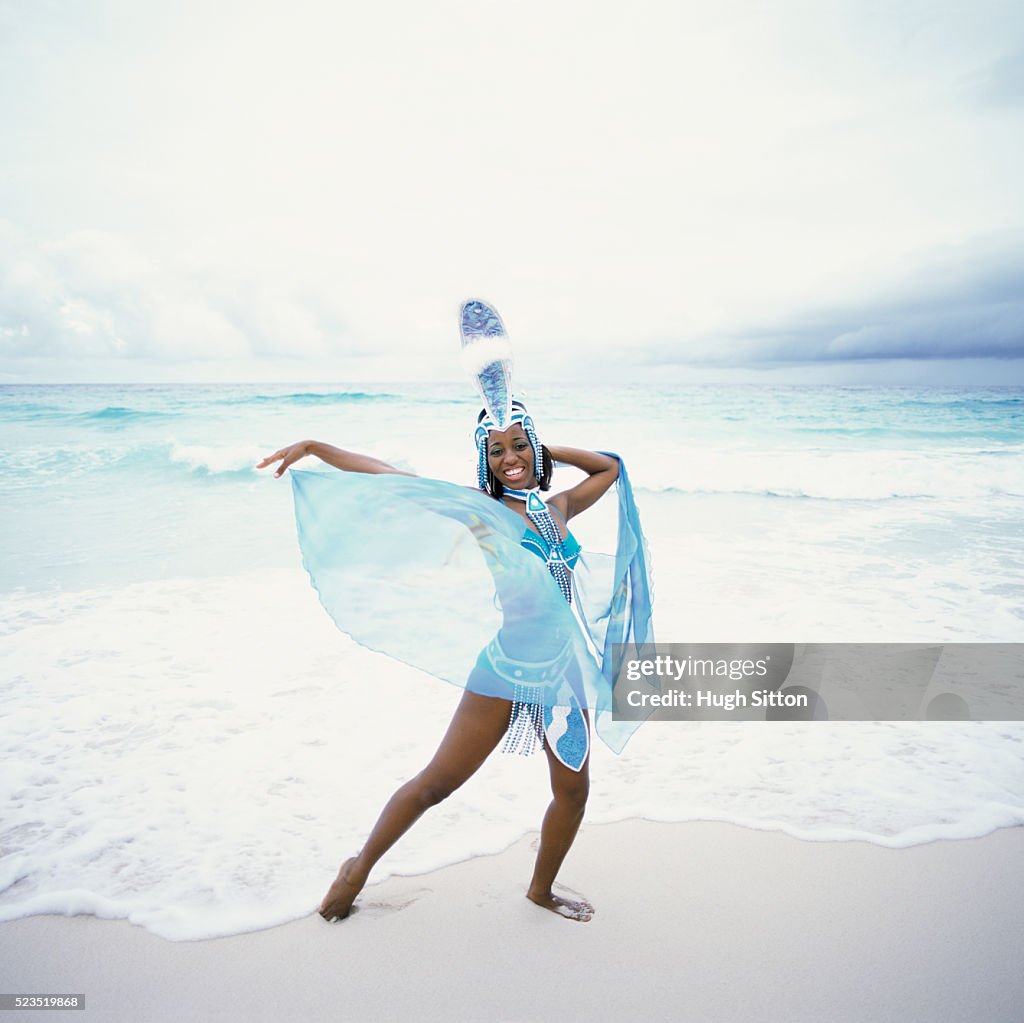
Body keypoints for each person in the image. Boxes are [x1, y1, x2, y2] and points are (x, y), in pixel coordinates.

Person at [257, 398, 649, 923]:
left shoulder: (558, 511)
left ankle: (540, 889)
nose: (509, 457)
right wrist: (316, 448)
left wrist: (540, 445)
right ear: (483, 462)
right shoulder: (481, 511)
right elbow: (390, 476)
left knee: (573, 793)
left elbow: (611, 468)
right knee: (436, 785)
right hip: (506, 670)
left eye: (518, 446)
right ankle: (357, 869)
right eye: (496, 451)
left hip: (563, 676)